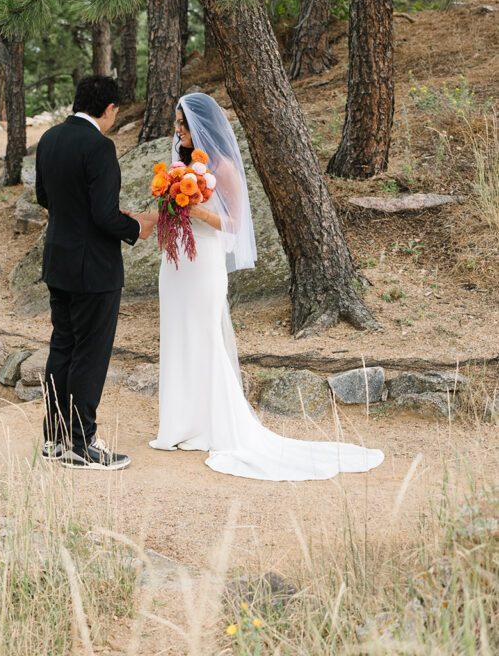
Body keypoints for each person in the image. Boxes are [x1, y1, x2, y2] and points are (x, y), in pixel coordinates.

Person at [148, 92, 384, 481]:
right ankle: (179, 426)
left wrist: (195, 209)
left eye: (182, 124)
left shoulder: (222, 167)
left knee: (204, 337)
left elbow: (236, 224)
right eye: (176, 123)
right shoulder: (178, 166)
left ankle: (213, 424)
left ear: (201, 126)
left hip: (204, 264)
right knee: (177, 337)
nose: (177, 130)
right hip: (175, 266)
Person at [35, 75, 153, 470]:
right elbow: (104, 215)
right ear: (108, 110)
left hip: (59, 261)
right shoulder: (100, 146)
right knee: (90, 355)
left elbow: (45, 198)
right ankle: (83, 443)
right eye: (115, 112)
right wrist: (138, 226)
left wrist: (93, 216)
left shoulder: (50, 138)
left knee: (62, 348)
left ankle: (55, 438)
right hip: (94, 270)